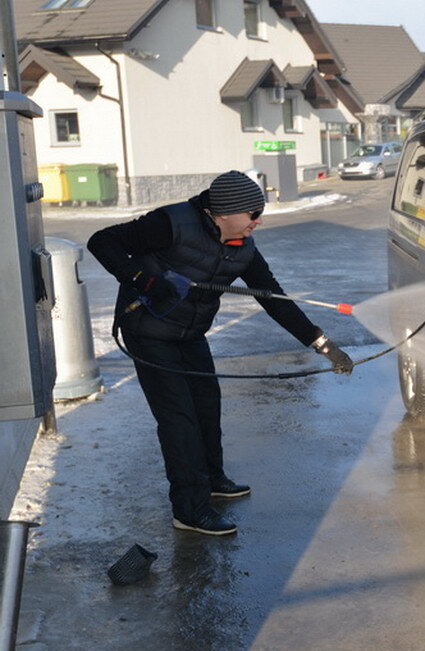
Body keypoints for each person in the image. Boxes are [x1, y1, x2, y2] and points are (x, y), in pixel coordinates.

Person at [88, 170, 354, 536]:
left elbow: (272, 297)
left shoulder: (244, 248)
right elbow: (102, 241)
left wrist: (322, 344)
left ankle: (211, 480)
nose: (257, 223)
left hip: (190, 332)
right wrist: (145, 280)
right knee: (179, 419)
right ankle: (190, 510)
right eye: (252, 215)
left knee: (206, 405)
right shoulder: (171, 223)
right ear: (225, 213)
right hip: (147, 330)